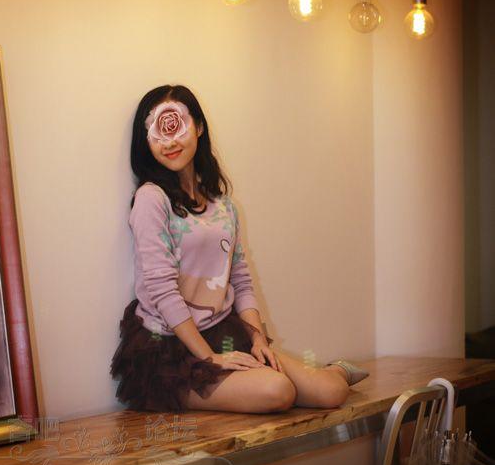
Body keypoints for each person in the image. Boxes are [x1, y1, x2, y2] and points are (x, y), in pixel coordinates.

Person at [110, 84, 369, 414]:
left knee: (331, 392)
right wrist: (209, 358)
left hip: (222, 333)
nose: (170, 142)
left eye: (178, 126)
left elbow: (240, 280)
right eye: (158, 132)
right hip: (170, 350)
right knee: (278, 390)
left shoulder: (223, 206)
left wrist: (258, 339)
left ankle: (335, 370)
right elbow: (162, 290)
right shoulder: (151, 199)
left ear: (199, 127)